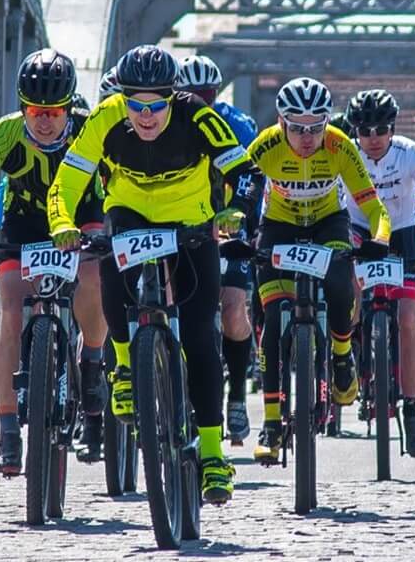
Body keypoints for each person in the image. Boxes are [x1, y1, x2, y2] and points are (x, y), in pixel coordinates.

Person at [47, 44, 258, 506]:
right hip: (130, 214)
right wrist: (62, 222)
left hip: (192, 224)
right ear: (122, 99)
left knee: (202, 336)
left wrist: (237, 211)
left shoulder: (199, 117)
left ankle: (212, 454)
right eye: (135, 104)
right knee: (108, 266)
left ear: (172, 97)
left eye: (156, 104)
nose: (145, 114)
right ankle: (124, 365)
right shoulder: (105, 117)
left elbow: (246, 173)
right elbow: (65, 182)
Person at [0, 49, 109, 476]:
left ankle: (91, 365)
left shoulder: (90, 134)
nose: (45, 120)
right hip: (22, 224)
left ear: (69, 107)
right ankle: (8, 430)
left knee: (93, 277)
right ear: (23, 107)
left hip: (81, 215)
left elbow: (120, 186)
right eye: (36, 110)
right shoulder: (2, 135)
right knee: (11, 312)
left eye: (55, 111)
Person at [244, 77, 386, 465]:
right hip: (278, 225)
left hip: (328, 222)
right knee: (272, 318)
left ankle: (342, 354)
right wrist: (233, 231)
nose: (307, 137)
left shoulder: (339, 144)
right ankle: (272, 423)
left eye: (316, 127)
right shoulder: (265, 146)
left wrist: (381, 237)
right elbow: (236, 194)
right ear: (281, 121)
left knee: (341, 281)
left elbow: (373, 207)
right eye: (297, 128)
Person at [337, 88, 415, 459]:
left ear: (392, 128)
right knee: (349, 301)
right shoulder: (346, 154)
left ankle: (411, 408)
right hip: (359, 230)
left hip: (403, 232)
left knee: (407, 318)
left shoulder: (410, 154)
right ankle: (348, 354)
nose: (372, 138)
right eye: (364, 131)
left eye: (380, 130)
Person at [174, 54, 262, 447]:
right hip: (182, 226)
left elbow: (253, 180)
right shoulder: (165, 121)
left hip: (226, 226)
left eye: (206, 94)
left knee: (232, 310)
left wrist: (250, 227)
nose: (199, 101)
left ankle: (238, 396)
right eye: (190, 94)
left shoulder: (237, 125)